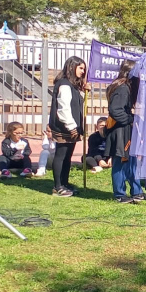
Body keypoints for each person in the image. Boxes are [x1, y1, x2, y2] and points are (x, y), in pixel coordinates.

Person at [48, 56, 89, 196]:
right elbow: (63, 107)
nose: (83, 71)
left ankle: (64, 182)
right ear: (72, 67)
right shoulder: (64, 84)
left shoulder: (72, 85)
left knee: (68, 156)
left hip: (72, 126)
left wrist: (83, 91)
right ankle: (57, 186)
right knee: (61, 155)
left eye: (84, 69)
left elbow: (76, 103)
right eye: (81, 68)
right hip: (64, 126)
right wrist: (71, 126)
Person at [105, 60, 142, 203]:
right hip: (119, 131)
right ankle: (119, 194)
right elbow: (115, 110)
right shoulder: (122, 88)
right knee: (120, 161)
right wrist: (130, 118)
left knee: (131, 161)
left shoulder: (126, 88)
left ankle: (136, 191)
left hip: (126, 129)